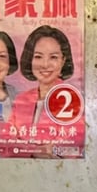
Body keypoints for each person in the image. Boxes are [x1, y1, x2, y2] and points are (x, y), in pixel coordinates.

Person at [9, 25, 83, 155]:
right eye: (38, 57)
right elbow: (6, 145)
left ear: (63, 61)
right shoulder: (21, 100)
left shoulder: (71, 99)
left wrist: (28, 151)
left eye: (53, 57)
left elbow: (74, 148)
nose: (45, 64)